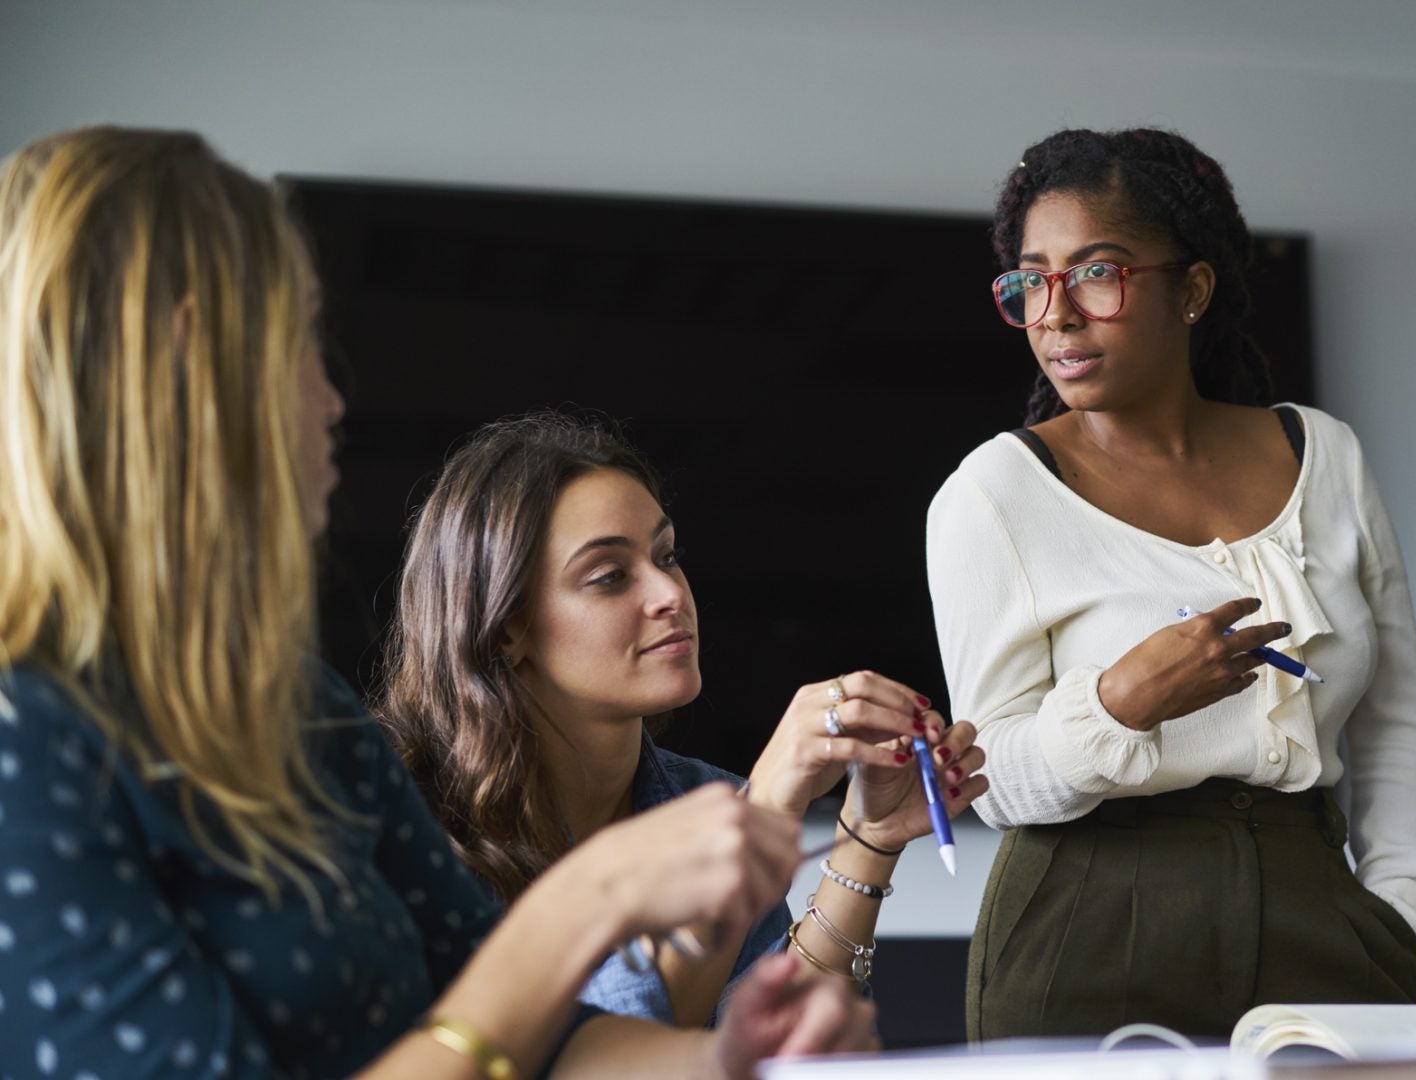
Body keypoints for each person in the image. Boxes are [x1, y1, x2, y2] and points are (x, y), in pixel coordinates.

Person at [0, 125, 873, 1080]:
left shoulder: (308, 715)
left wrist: (727, 1060)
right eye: (297, 340)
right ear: (189, 360)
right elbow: (503, 1006)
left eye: (665, 558)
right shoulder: (27, 737)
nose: (331, 398)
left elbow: (530, 1040)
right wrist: (587, 902)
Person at [926, 127, 1416, 1040]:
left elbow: (1395, 715)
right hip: (1087, 929)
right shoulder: (992, 496)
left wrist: (1405, 907)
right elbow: (991, 783)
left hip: (1320, 918)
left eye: (1096, 272)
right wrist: (1118, 705)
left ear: (1193, 288)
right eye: (1031, 280)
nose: (1056, 314)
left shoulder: (1325, 454)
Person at [375, 412, 986, 1028]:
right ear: (508, 629)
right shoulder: (402, 819)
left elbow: (770, 1049)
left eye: (666, 556)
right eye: (610, 577)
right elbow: (591, 1057)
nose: (670, 593)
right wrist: (764, 812)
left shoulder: (704, 799)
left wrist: (866, 839)